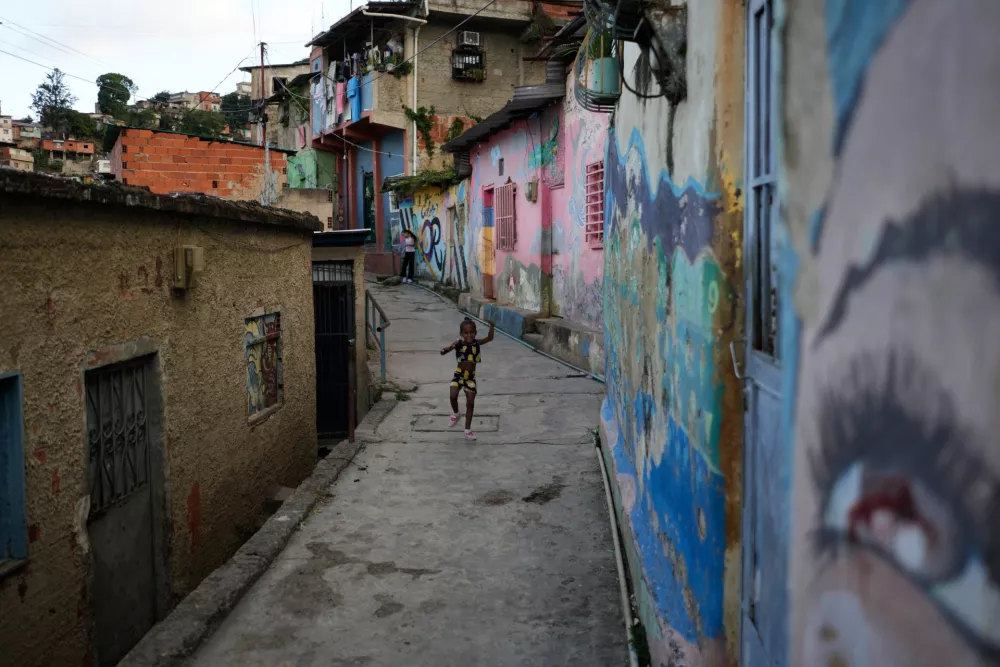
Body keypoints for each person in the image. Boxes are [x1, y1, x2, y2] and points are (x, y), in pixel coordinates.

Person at [440, 317, 495, 440]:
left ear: (475, 333)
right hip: (459, 374)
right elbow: (442, 352)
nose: (469, 335)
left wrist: (492, 326)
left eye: (472, 332)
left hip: (470, 378)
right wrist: (448, 348)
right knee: (453, 395)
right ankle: (456, 414)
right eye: (466, 333)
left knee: (470, 403)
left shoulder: (477, 343)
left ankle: (467, 430)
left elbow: (490, 338)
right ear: (461, 334)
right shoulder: (458, 344)